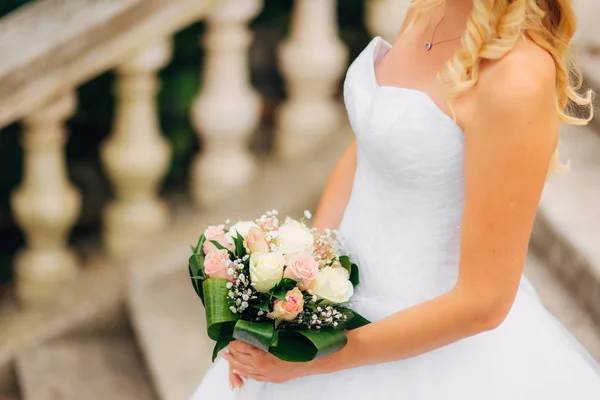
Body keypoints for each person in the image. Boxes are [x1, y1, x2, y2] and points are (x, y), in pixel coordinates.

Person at [190, 0, 600, 398]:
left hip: (426, 343)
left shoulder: (517, 78)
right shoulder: (428, 11)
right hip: (338, 298)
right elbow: (368, 147)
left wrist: (316, 360)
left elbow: (484, 302)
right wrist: (299, 286)